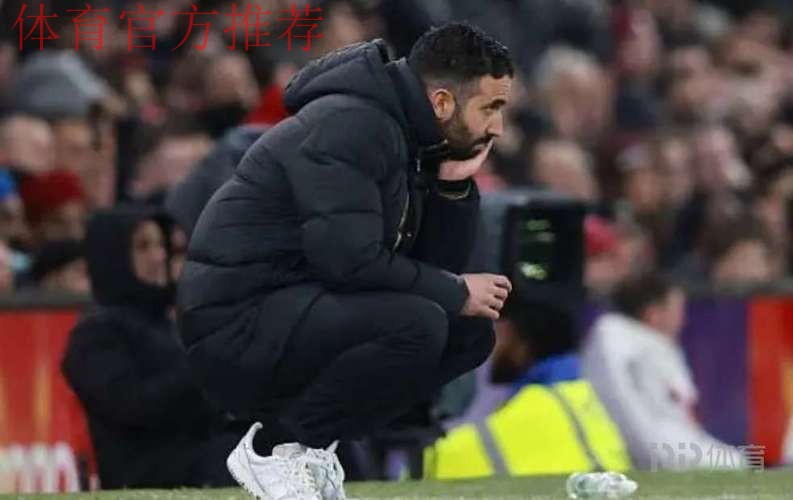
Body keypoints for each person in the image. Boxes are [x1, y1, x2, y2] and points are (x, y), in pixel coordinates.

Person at [179, 23, 514, 499]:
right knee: (419, 323)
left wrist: (452, 186)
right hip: (234, 323)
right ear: (442, 102)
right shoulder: (350, 124)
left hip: (297, 311)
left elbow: (429, 266)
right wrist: (456, 290)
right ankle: (272, 448)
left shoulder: (410, 137)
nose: (497, 128)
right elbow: (347, 262)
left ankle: (312, 446)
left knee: (467, 333)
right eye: (490, 108)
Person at [61, 206, 239, 489]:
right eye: (143, 246)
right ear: (112, 255)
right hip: (145, 472)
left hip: (203, 453)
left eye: (160, 245)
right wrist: (200, 366)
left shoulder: (168, 322)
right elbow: (130, 405)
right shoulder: (95, 335)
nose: (159, 256)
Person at [424, 298, 630, 479]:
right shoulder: (573, 386)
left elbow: (443, 460)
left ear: (516, 337)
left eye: (496, 331)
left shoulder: (541, 401)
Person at [582, 272, 743, 470]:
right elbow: (639, 424)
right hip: (642, 458)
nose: (682, 319)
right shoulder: (619, 344)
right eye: (677, 310)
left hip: (674, 450)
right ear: (654, 314)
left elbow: (681, 427)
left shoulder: (658, 348)